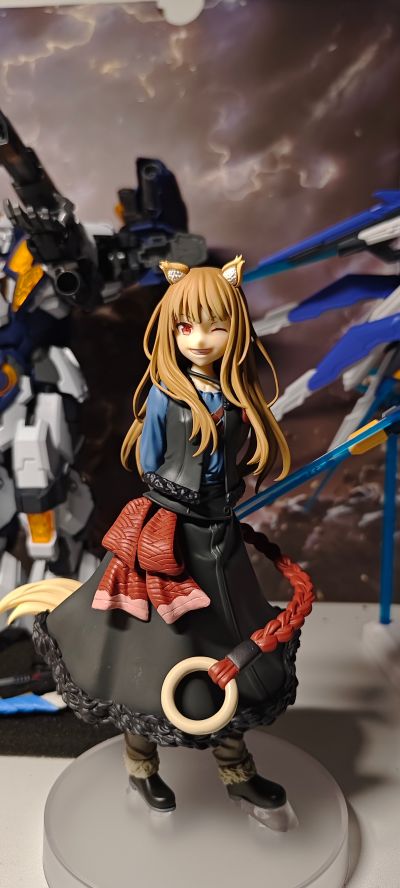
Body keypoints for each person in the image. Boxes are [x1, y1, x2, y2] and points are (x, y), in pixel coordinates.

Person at [0, 255, 313, 826]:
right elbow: (151, 462)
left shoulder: (236, 395)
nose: (200, 339)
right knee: (146, 657)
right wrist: (186, 499)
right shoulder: (168, 397)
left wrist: (222, 497)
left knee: (227, 651)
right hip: (167, 541)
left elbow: (237, 458)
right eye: (186, 326)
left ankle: (236, 771)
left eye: (215, 326)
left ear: (235, 328)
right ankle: (141, 766)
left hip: (218, 541)